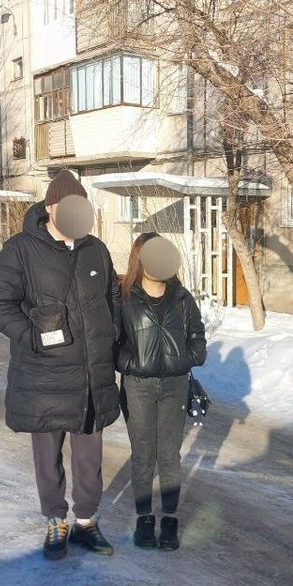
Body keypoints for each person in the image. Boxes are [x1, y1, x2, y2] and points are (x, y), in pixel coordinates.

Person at [0, 170, 122, 560]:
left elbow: (112, 298)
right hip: (43, 375)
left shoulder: (96, 249)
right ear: (49, 208)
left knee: (89, 459)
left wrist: (114, 339)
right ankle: (55, 522)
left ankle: (86, 523)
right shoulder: (20, 249)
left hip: (92, 376)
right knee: (48, 457)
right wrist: (29, 337)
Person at [116, 233, 207, 551]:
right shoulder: (124, 297)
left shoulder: (182, 298)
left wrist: (188, 358)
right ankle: (144, 520)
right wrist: (129, 362)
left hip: (174, 385)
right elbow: (112, 340)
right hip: (137, 386)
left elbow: (198, 335)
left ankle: (169, 520)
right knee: (143, 457)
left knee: (169, 457)